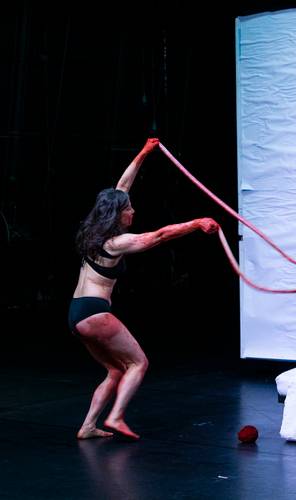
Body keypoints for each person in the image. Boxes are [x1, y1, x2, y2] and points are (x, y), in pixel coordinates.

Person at [69, 138, 219, 440]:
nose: (133, 211)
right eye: (129, 209)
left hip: (77, 313)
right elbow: (159, 236)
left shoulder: (95, 233)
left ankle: (88, 426)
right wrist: (197, 223)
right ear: (117, 214)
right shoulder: (117, 242)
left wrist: (144, 152)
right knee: (138, 363)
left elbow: (122, 186)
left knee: (115, 370)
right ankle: (116, 417)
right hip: (96, 313)